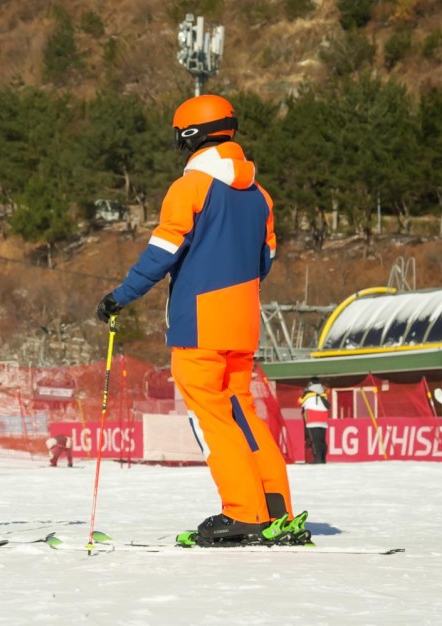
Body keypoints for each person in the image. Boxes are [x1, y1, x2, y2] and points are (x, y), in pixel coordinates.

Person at [96, 94, 306, 547]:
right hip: (244, 320)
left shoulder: (190, 188)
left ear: (189, 135)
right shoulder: (260, 195)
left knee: (214, 420)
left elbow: (161, 255)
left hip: (200, 323)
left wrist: (119, 298)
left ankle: (243, 513)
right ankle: (275, 509)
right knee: (243, 414)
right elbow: (265, 259)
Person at [299, 378, 330, 464]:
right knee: (322, 440)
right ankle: (323, 458)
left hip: (312, 419)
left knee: (315, 441)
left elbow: (299, 402)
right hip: (323, 419)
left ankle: (317, 459)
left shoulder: (307, 394)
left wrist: (304, 392)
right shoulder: (323, 394)